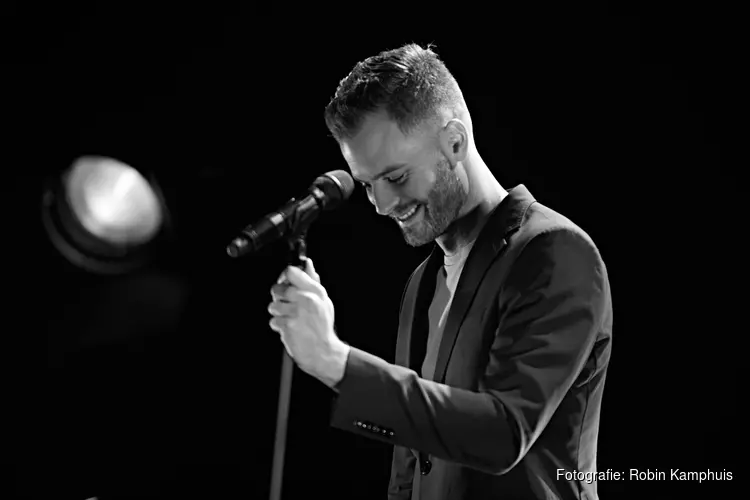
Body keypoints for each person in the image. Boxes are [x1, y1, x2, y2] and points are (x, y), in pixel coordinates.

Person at [267, 43, 613, 500]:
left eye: (395, 177)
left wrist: (336, 361)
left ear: (455, 141)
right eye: (368, 185)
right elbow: (413, 461)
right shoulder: (421, 283)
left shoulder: (554, 251)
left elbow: (504, 433)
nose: (382, 206)